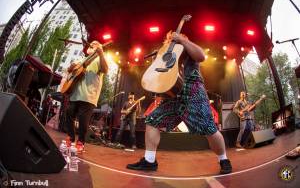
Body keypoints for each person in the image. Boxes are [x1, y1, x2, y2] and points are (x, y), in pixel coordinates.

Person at [127, 32, 232, 174]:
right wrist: (159, 59)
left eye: (174, 37)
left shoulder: (186, 47)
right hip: (172, 96)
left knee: (209, 128)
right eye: (169, 38)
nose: (171, 39)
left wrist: (182, 40)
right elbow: (159, 76)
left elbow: (201, 56)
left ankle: (223, 159)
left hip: (193, 91)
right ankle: (149, 161)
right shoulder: (164, 53)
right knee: (152, 121)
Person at [65, 40, 108, 152]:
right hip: (75, 94)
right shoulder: (81, 59)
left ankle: (81, 141)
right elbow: (70, 71)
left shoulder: (99, 59)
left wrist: (101, 54)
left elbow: (105, 70)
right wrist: (71, 69)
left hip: (89, 96)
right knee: (69, 113)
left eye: (95, 44)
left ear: (98, 48)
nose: (92, 44)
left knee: (83, 121)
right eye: (91, 43)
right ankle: (71, 136)